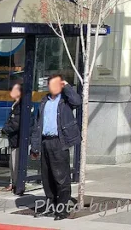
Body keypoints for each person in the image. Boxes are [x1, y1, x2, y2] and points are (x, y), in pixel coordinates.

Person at [30, 75, 80, 220]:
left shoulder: (65, 100)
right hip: (45, 141)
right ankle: (50, 206)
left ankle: (62, 209)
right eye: (50, 84)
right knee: (47, 177)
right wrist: (35, 146)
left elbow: (78, 101)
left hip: (59, 141)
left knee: (61, 177)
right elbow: (37, 125)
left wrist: (67, 87)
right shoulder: (44, 100)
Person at [1, 82, 23, 193]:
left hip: (19, 139)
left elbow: (16, 123)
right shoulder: (15, 104)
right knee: (12, 162)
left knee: (16, 162)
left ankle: (16, 184)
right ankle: (13, 182)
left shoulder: (22, 105)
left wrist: (5, 129)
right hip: (13, 138)